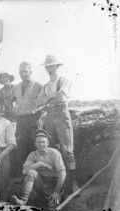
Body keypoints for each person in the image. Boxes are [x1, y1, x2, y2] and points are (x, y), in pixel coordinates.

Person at [37, 55, 78, 193]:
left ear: (57, 67)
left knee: (67, 149)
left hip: (61, 113)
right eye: (47, 67)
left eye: (52, 66)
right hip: (49, 115)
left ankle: (72, 181)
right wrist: (50, 98)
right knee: (51, 146)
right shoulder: (45, 85)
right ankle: (56, 179)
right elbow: (39, 102)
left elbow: (61, 97)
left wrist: (47, 99)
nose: (49, 69)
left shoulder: (63, 80)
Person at [10, 129, 66, 211]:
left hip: (54, 186)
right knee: (31, 172)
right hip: (40, 184)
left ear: (48, 143)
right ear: (35, 144)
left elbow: (62, 172)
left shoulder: (55, 153)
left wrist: (57, 192)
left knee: (53, 206)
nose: (41, 144)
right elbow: (24, 171)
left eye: (43, 142)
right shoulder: (33, 155)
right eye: (39, 142)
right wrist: (40, 164)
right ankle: (23, 200)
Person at [10, 61, 43, 177]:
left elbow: (45, 101)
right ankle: (22, 174)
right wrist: (13, 109)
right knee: (21, 146)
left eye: (25, 72)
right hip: (20, 120)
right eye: (21, 72)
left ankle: (36, 175)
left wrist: (39, 111)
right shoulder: (16, 87)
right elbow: (10, 100)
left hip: (33, 119)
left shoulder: (38, 85)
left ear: (30, 72)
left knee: (35, 146)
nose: (23, 74)